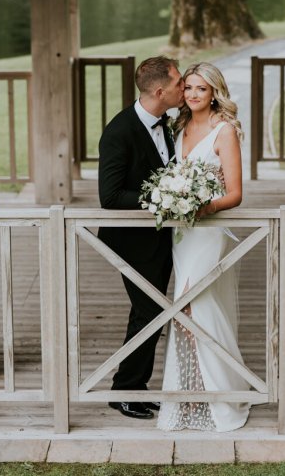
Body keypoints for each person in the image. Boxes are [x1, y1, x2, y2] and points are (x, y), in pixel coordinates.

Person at [157, 62, 250, 432]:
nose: (194, 94)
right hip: (183, 233)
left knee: (197, 302)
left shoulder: (223, 130)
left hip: (209, 230)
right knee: (185, 307)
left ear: (215, 93)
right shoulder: (179, 127)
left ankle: (221, 395)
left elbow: (236, 194)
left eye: (202, 89)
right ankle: (191, 391)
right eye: (190, 88)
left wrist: (204, 206)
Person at [98, 55, 184, 420]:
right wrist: (165, 197)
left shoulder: (166, 122)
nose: (184, 87)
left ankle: (133, 388)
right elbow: (110, 197)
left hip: (160, 239)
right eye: (180, 83)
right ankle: (124, 390)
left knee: (147, 313)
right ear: (161, 90)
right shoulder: (120, 131)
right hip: (132, 242)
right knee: (151, 312)